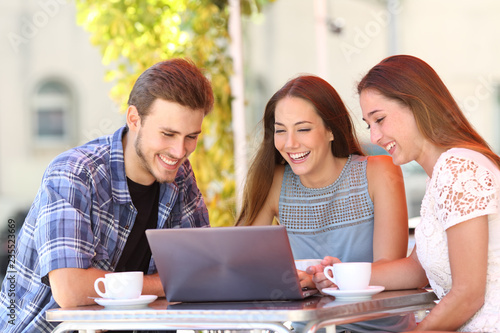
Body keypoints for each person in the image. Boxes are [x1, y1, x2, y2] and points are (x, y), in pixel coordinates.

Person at [0, 58, 214, 332]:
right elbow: (70, 290)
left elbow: (202, 271)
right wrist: (163, 283)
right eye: (168, 134)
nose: (179, 151)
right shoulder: (75, 173)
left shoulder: (179, 176)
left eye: (191, 137)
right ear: (134, 119)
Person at [311, 55, 500, 332]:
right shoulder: (443, 173)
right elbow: (417, 268)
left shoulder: (458, 168)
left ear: (416, 105)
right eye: (368, 124)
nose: (374, 137)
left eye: (380, 119)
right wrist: (342, 277)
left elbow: (468, 295)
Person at [236, 75, 414, 332]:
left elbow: (389, 269)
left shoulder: (379, 172)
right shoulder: (276, 181)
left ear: (331, 130)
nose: (290, 143)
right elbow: (241, 261)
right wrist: (296, 280)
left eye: (303, 129)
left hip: (377, 327)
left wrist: (328, 279)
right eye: (281, 130)